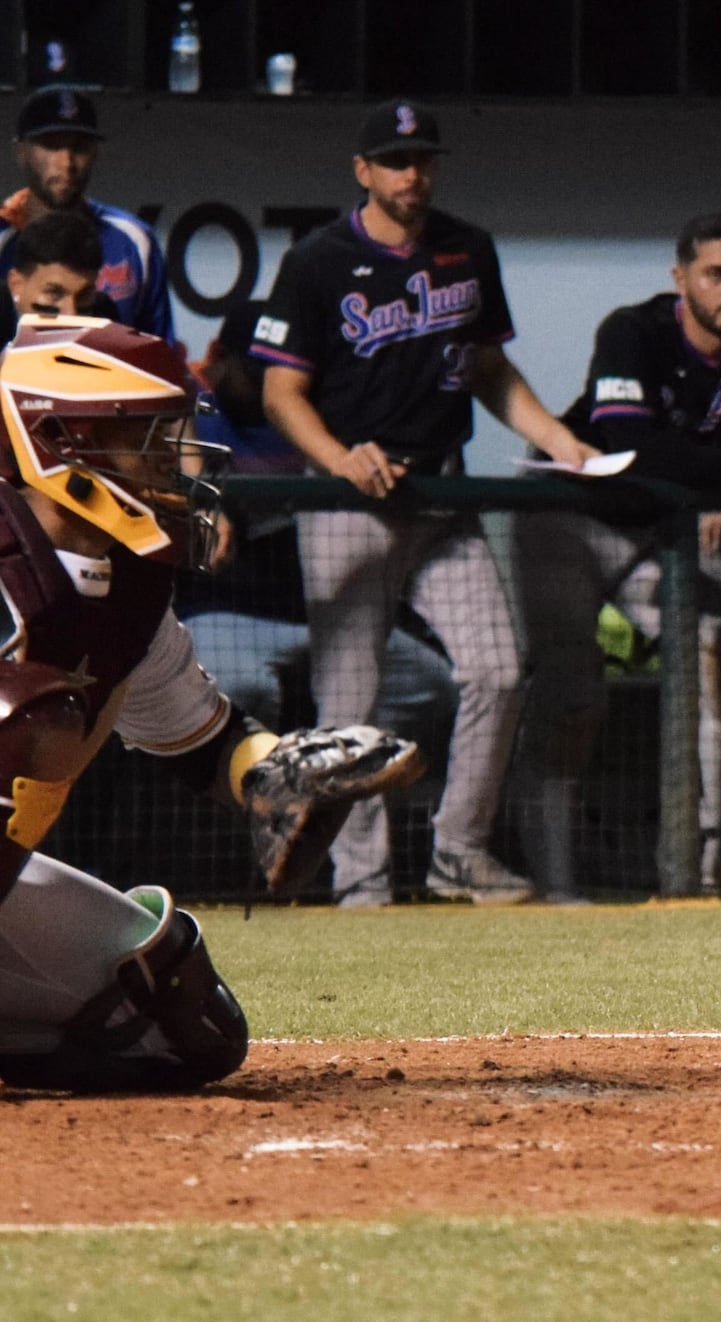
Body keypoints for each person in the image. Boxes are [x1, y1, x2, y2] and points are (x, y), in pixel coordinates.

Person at [0, 315, 422, 1091]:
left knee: (176, 1023)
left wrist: (276, 773)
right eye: (146, 440)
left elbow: (201, 738)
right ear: (59, 440)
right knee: (24, 717)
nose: (172, 463)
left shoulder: (125, 587)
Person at [254, 100, 594, 906]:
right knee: (349, 706)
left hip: (440, 499)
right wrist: (339, 457)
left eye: (424, 159)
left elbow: (488, 371)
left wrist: (558, 438)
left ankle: (459, 852)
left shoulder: (466, 249)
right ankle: (362, 885)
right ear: (363, 170)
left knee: (499, 671)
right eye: (397, 161)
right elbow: (279, 392)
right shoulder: (317, 260)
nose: (414, 174)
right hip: (347, 503)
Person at [513, 213, 721, 902]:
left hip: (658, 533)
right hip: (567, 518)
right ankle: (554, 886)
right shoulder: (633, 331)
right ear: (681, 279)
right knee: (572, 695)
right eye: (716, 274)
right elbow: (632, 449)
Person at [179, 302, 462, 768]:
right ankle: (250, 799)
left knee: (432, 686)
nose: (266, 387)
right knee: (239, 689)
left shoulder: (317, 421)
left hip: (322, 611)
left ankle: (329, 778)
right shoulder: (191, 418)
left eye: (276, 374)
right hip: (223, 613)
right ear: (220, 359)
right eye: (255, 372)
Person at [0, 88, 172, 343]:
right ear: (20, 151)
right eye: (51, 145)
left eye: (79, 148)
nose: (66, 162)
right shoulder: (3, 238)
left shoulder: (133, 240)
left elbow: (159, 350)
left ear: (95, 152)